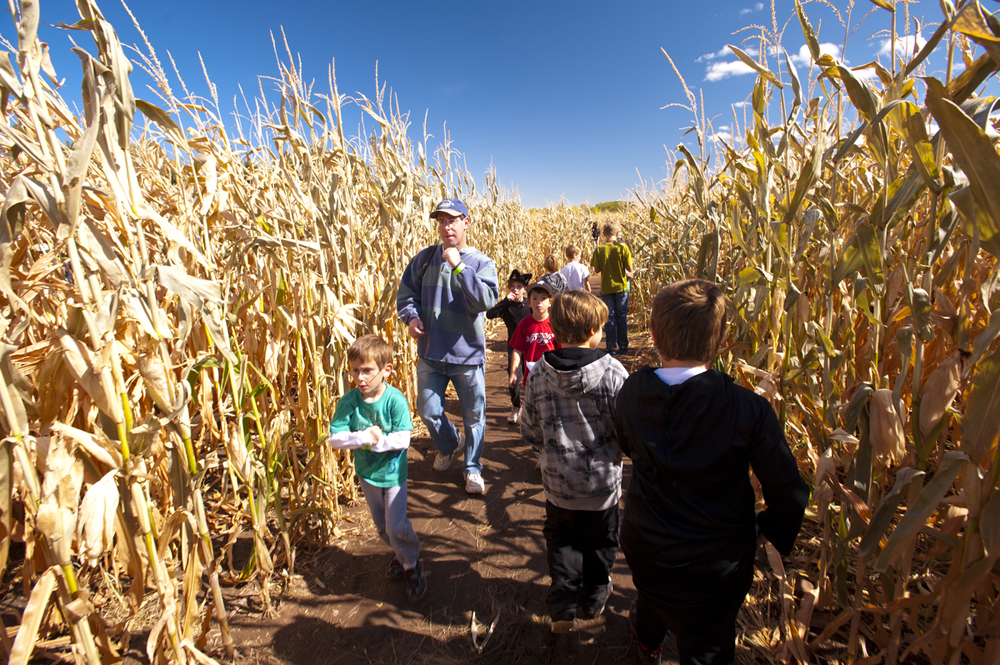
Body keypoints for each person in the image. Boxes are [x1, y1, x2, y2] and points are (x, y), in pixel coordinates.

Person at [614, 280, 809, 664]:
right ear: (721, 339)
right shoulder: (748, 409)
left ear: (653, 335)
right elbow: (789, 491)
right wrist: (766, 526)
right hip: (715, 565)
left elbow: (627, 445)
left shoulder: (632, 391)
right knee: (707, 641)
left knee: (651, 596)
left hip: (645, 545)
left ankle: (647, 643)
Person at [521, 290, 628, 634]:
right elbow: (626, 429)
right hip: (602, 489)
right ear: (594, 331)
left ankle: (563, 610)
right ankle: (595, 596)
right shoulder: (613, 372)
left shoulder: (538, 373)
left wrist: (548, 445)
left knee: (563, 544)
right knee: (601, 544)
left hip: (557, 487)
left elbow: (530, 429)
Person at [396, 199, 499, 495]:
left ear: (466, 222)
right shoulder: (424, 259)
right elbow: (406, 295)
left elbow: (485, 302)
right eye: (441, 221)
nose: (446, 226)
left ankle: (473, 468)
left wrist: (458, 266)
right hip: (430, 353)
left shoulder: (481, 262)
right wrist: (412, 318)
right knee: (427, 411)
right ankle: (450, 443)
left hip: (466, 356)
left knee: (474, 416)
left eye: (452, 220)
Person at [329, 335, 426, 602]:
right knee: (382, 527)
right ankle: (399, 552)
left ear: (386, 370)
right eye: (355, 370)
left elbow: (403, 439)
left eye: (367, 371)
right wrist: (363, 437)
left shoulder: (395, 400)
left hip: (393, 475)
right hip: (367, 476)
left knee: (396, 526)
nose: (360, 377)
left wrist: (376, 442)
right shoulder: (349, 402)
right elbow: (335, 439)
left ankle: (411, 564)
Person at [486, 269, 533, 424]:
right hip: (514, 347)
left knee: (532, 377)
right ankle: (516, 407)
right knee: (513, 377)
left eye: (519, 286)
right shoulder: (506, 307)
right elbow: (490, 314)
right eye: (512, 286)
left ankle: (532, 407)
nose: (515, 289)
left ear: (524, 289)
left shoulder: (530, 304)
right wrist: (505, 300)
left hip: (531, 346)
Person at [509, 272, 567, 391]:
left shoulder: (555, 323)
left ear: (550, 302)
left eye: (543, 298)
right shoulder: (524, 324)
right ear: (529, 303)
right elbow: (517, 350)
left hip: (552, 375)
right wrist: (514, 371)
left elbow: (562, 350)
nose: (538, 302)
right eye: (534, 298)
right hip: (532, 376)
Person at [590, 222, 633, 355]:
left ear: (603, 234)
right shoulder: (623, 249)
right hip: (621, 287)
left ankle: (611, 347)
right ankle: (623, 346)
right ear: (616, 233)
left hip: (606, 287)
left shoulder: (599, 250)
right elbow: (629, 269)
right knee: (622, 316)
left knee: (609, 317)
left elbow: (596, 270)